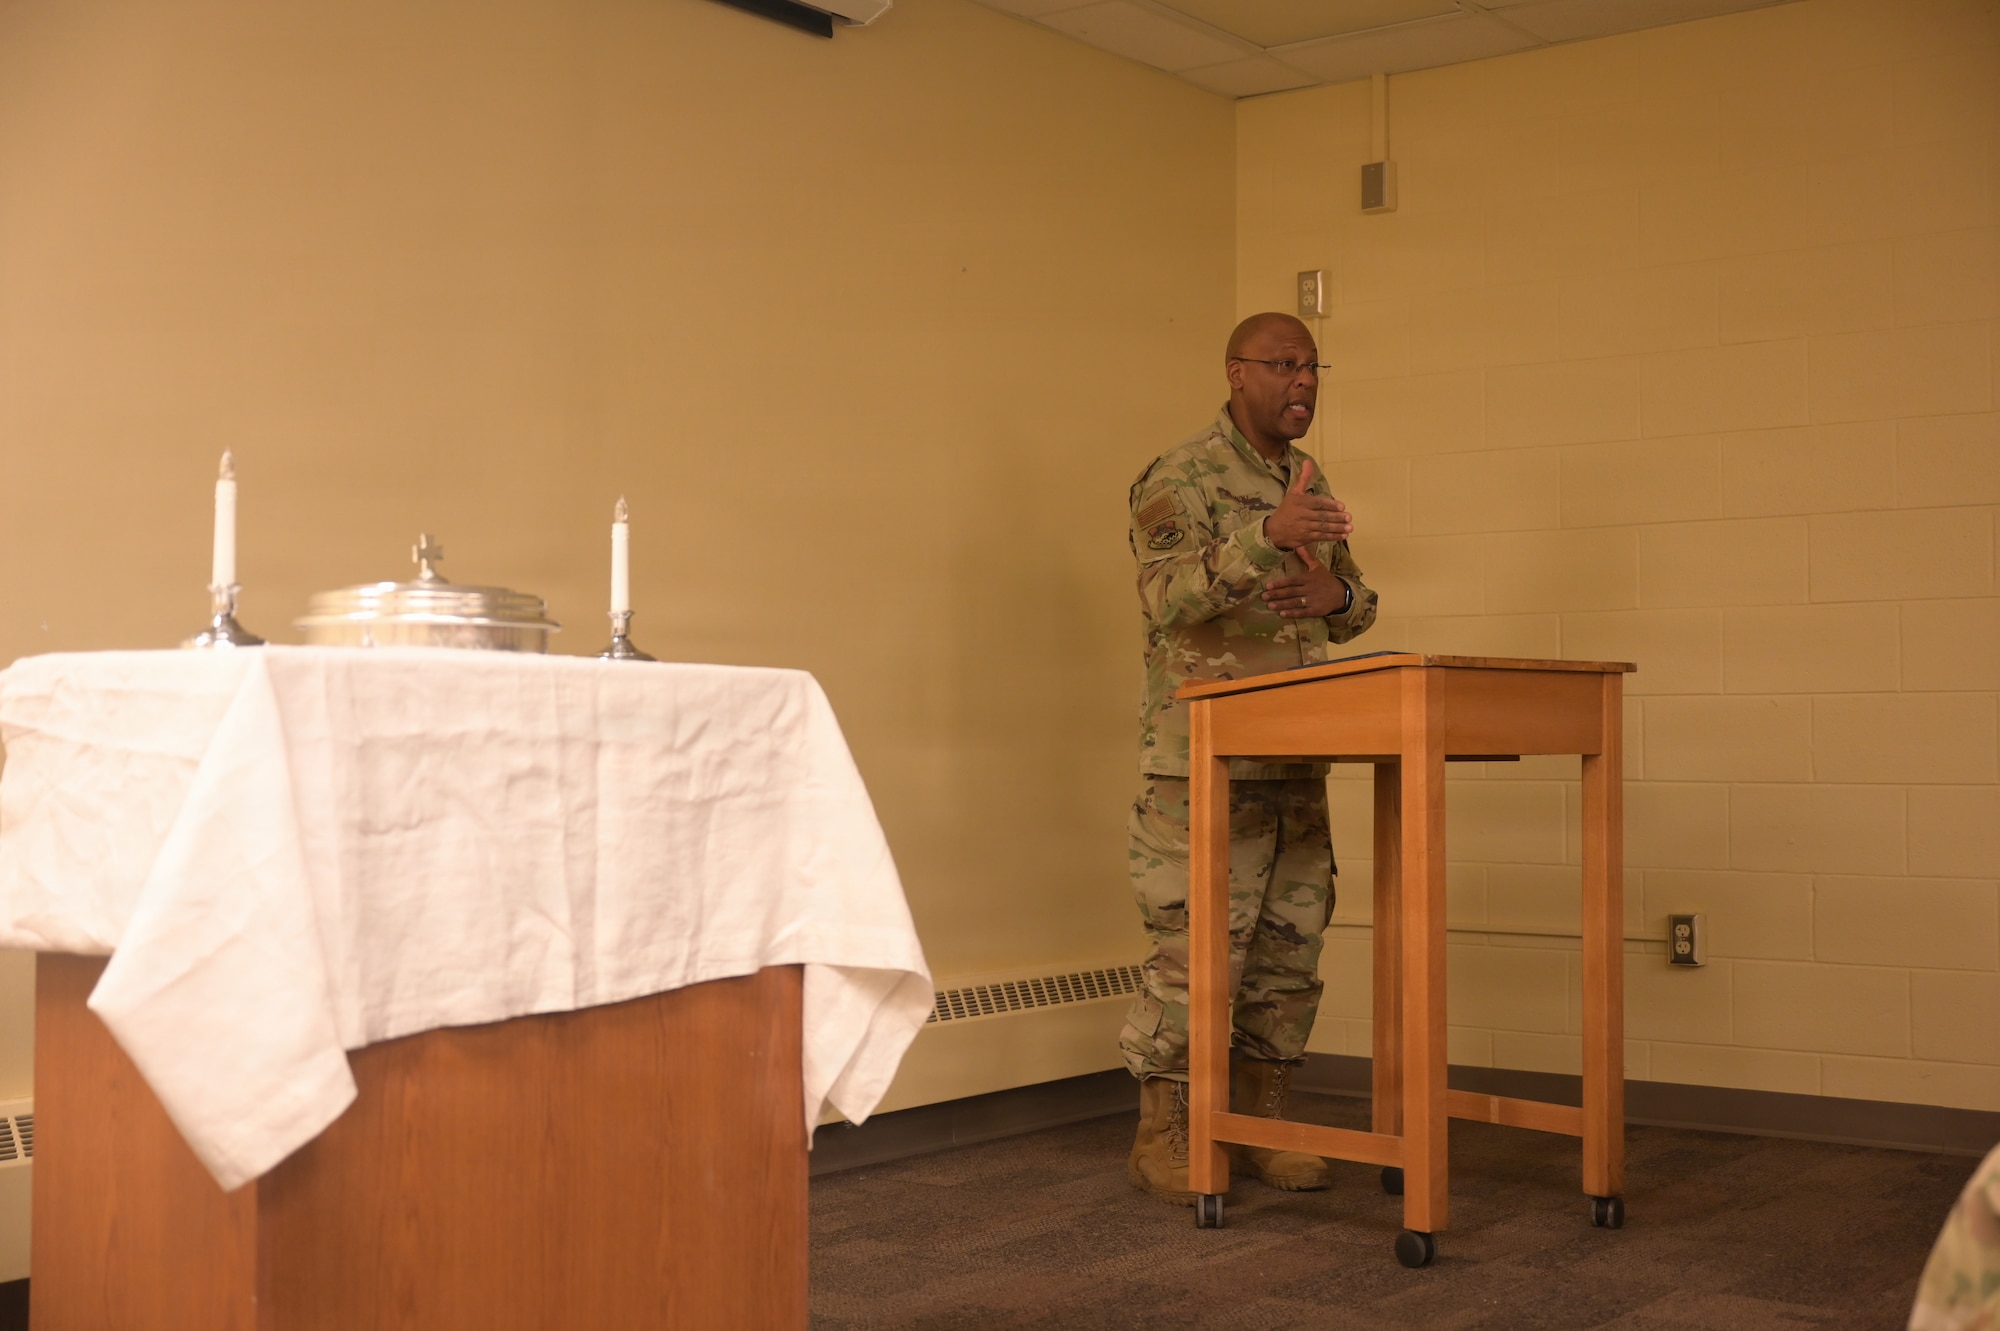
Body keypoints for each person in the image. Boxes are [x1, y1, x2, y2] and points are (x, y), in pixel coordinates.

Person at [1120, 311, 1379, 1204]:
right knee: (1196, 957)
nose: (1302, 382)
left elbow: (1354, 605)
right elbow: (1165, 596)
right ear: (1237, 372)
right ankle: (1166, 1134)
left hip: (1296, 761)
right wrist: (1262, 536)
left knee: (1286, 960)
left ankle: (1263, 1125)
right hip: (1202, 768)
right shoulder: (1180, 474)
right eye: (1283, 365)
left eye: (1312, 367)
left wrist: (1337, 593)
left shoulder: (1306, 479)